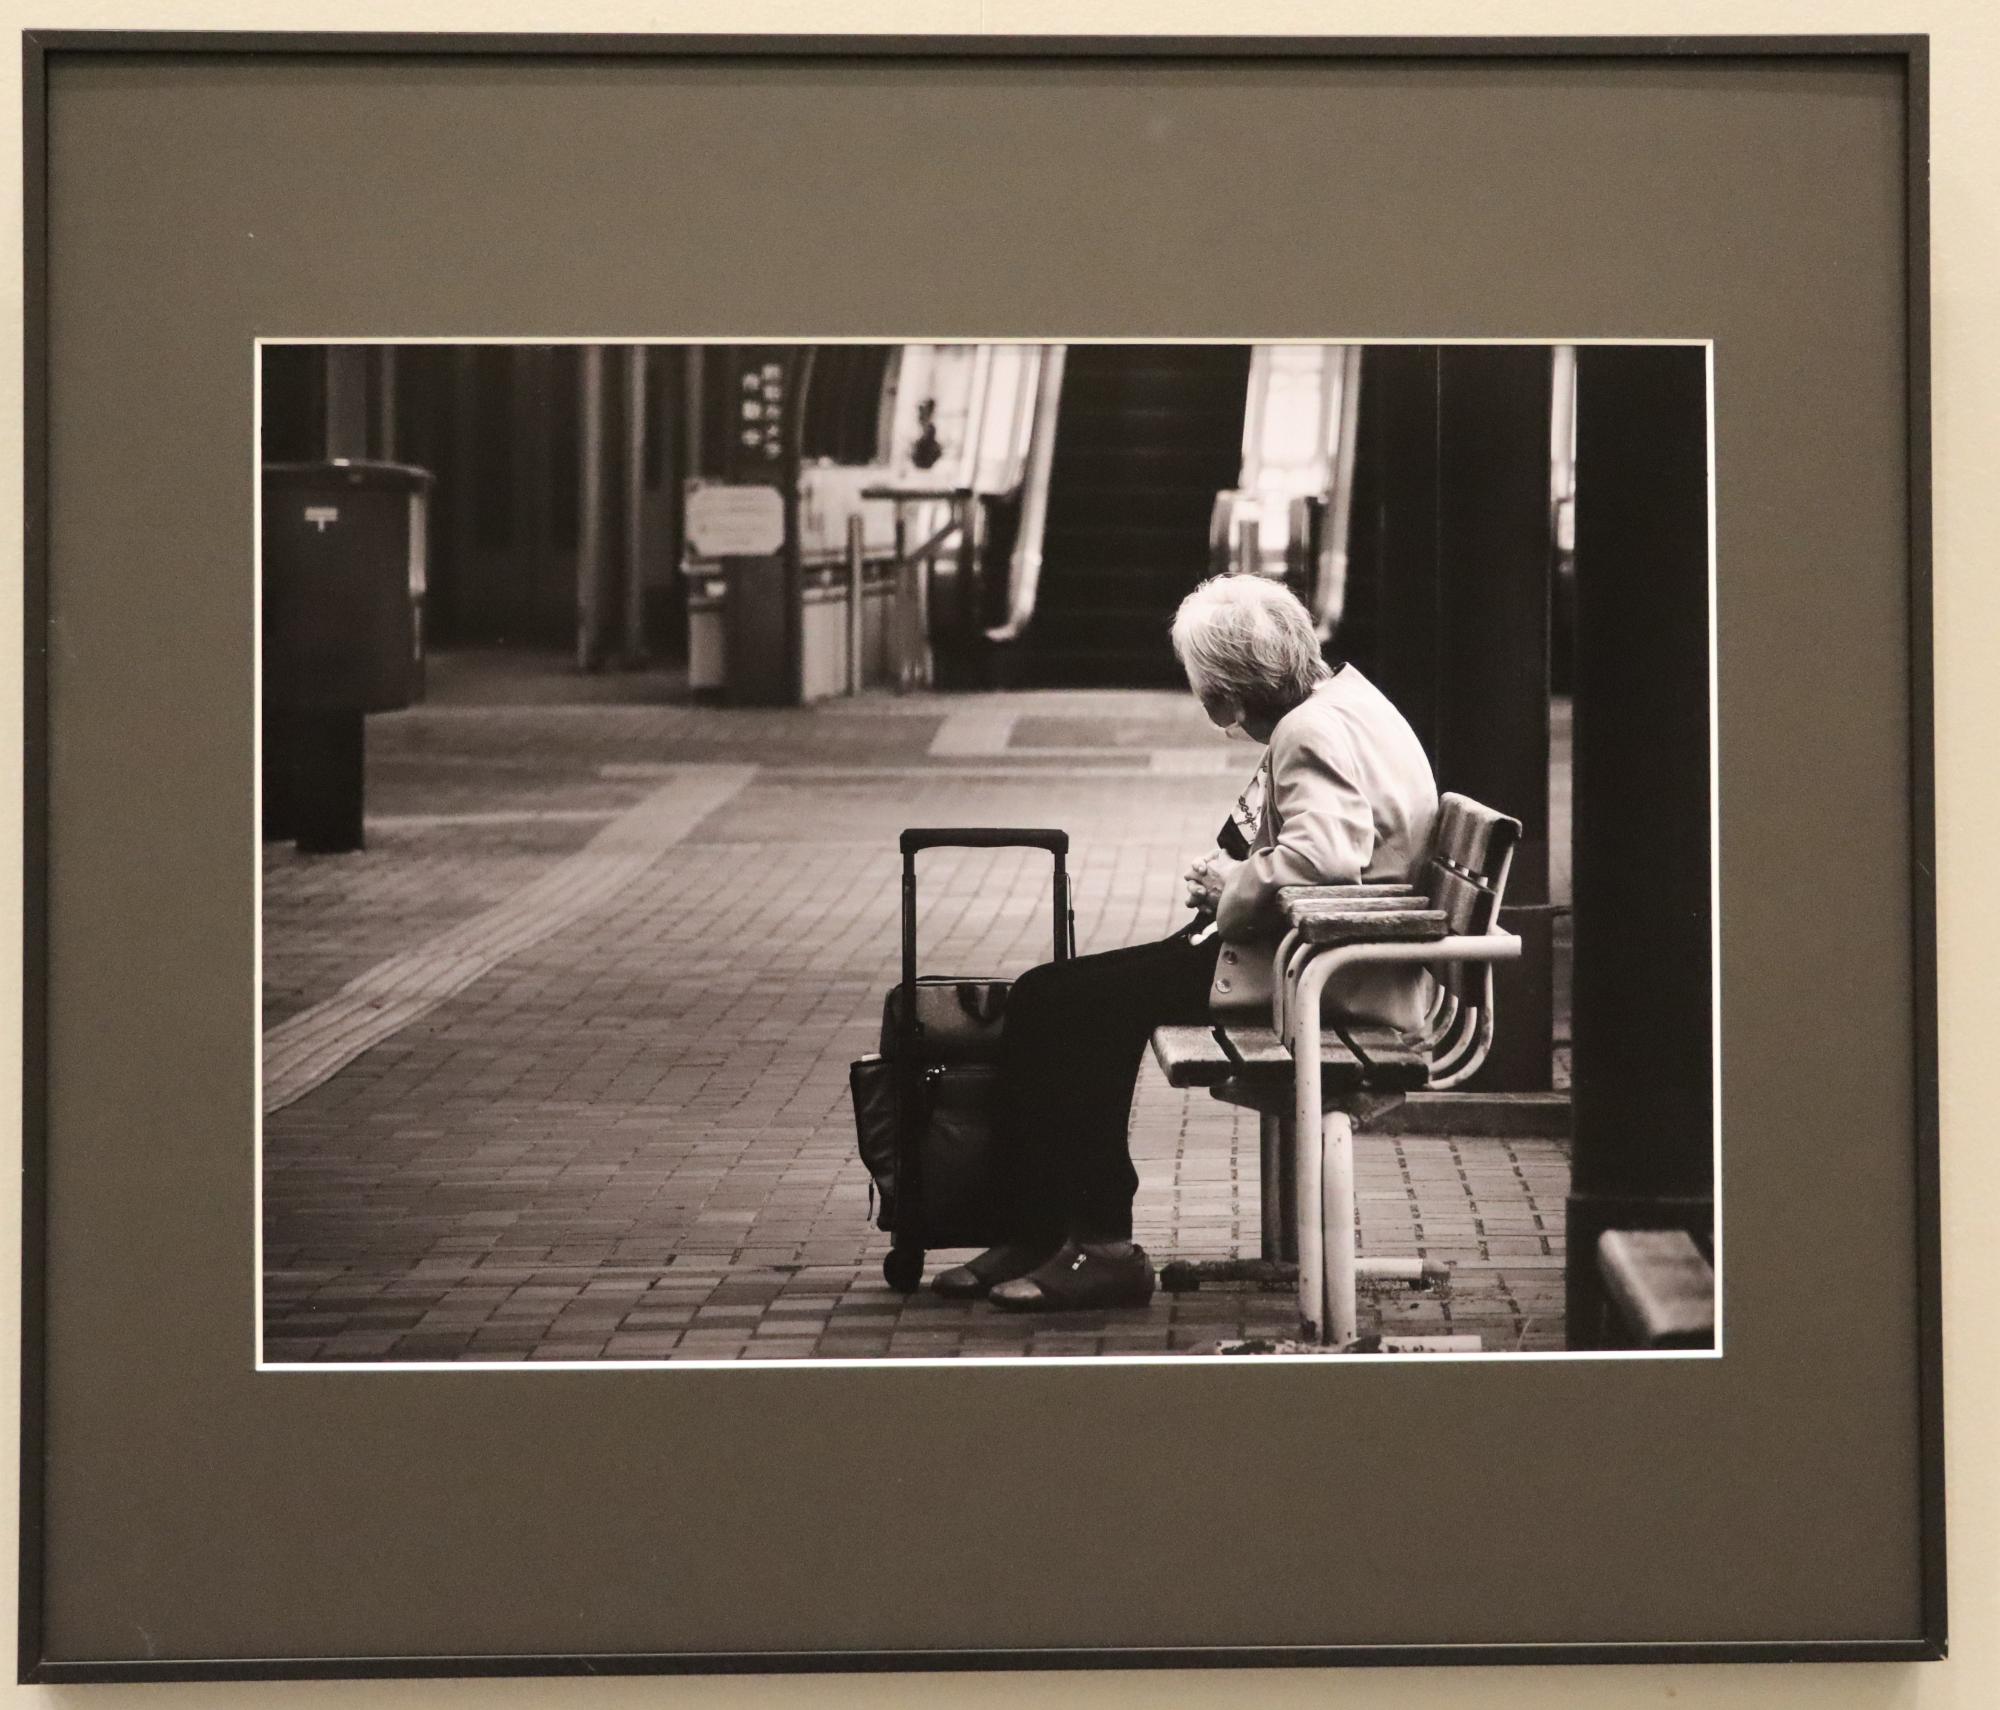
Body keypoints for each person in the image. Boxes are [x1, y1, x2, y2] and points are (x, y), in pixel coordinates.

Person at [933, 573, 1440, 1312]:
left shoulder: (1308, 731)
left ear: (1227, 692)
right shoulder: (1349, 701)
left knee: (1071, 1006)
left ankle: (1097, 1244)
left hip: (1314, 974)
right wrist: (1240, 881)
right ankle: (1044, 1232)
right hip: (1317, 956)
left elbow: (1324, 857)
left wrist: (1233, 884)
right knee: (1052, 994)